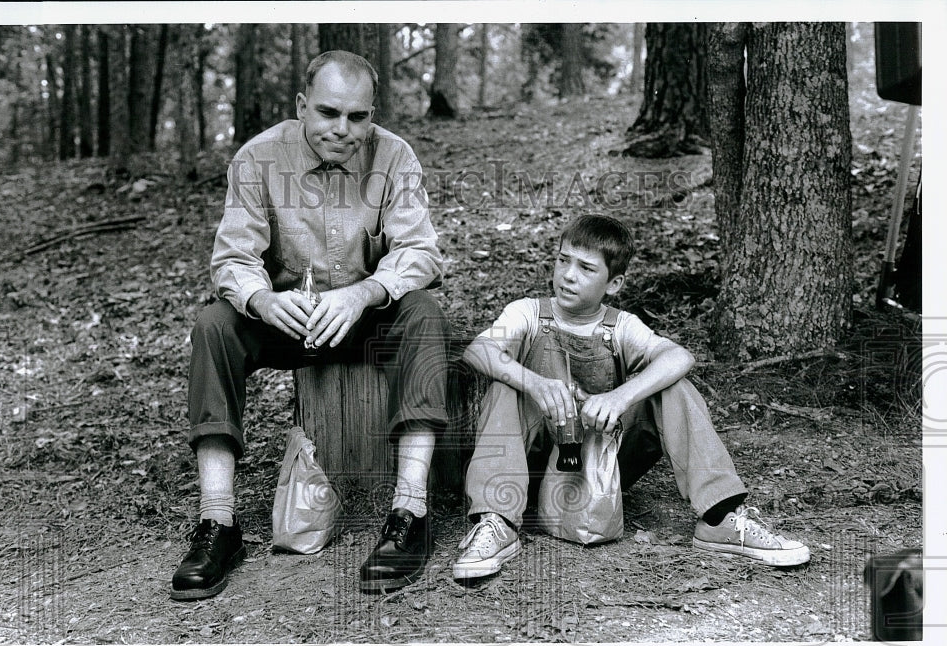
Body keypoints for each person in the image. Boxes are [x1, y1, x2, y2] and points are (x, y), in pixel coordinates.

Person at [171, 51, 450, 600]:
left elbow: (421, 252)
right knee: (213, 325)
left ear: (372, 115)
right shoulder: (257, 158)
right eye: (327, 113)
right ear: (302, 106)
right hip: (286, 320)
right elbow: (232, 257)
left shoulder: (394, 157)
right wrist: (262, 300)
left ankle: (410, 514)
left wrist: (364, 292)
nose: (342, 130)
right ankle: (217, 522)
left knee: (422, 312)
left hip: (365, 319)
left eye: (358, 117)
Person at [455, 214, 810, 579]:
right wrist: (536, 384)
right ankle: (496, 521)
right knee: (503, 382)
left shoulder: (621, 326)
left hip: (604, 468)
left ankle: (719, 517)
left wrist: (620, 398)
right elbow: (478, 350)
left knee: (673, 386)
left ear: (614, 283)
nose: (568, 275)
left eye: (586, 268)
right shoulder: (527, 313)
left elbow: (679, 357)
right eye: (563, 260)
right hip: (533, 464)